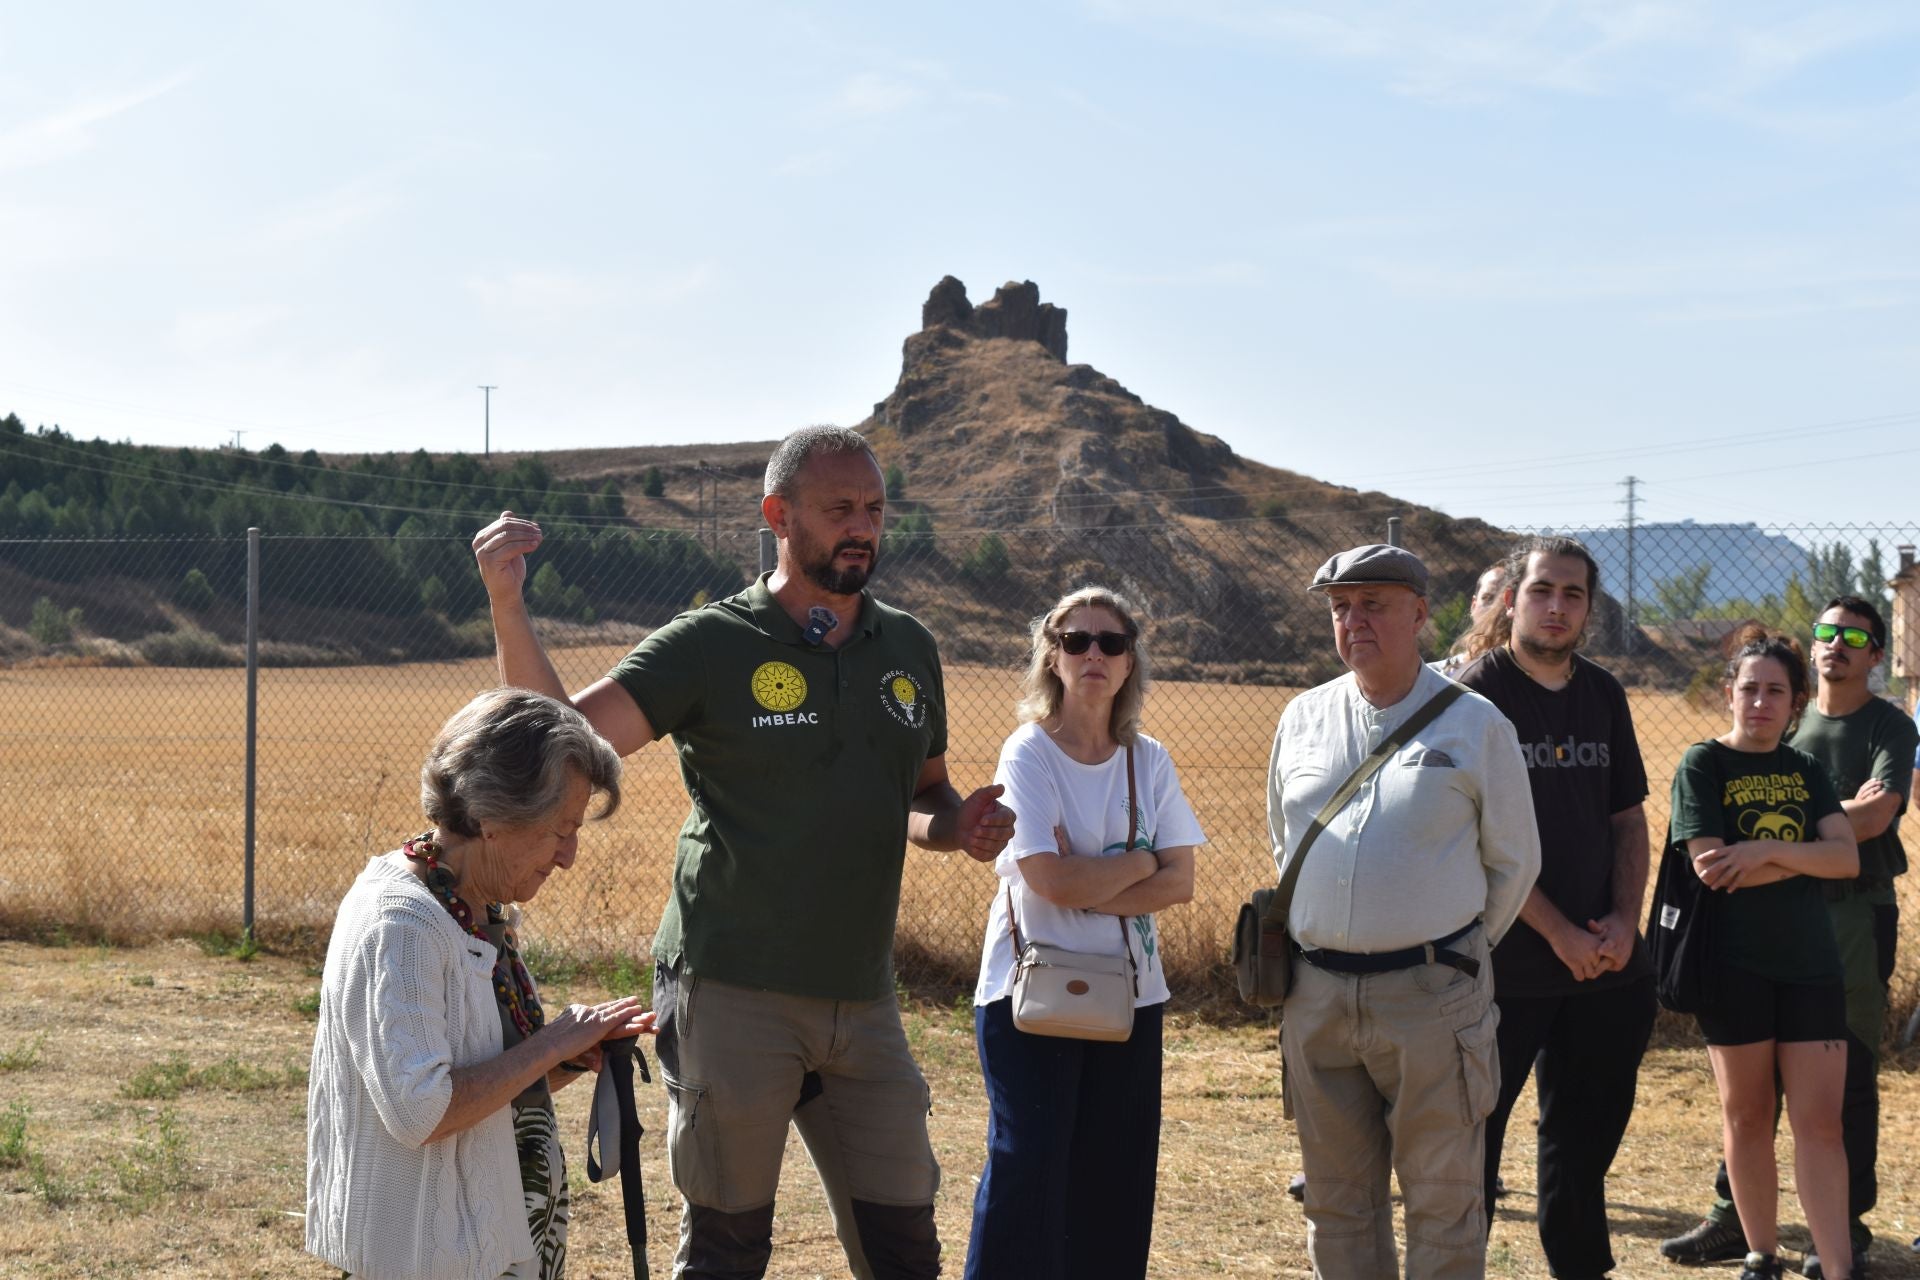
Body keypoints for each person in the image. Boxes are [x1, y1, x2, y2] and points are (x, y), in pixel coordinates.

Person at [471, 424, 1015, 1280]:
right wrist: (508, 605)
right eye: (839, 508)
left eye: (874, 508)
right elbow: (560, 735)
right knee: (728, 1249)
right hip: (730, 989)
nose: (862, 526)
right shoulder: (712, 642)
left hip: (862, 999)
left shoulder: (907, 647)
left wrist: (960, 826)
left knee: (905, 1243)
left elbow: (923, 794)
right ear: (777, 515)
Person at [306, 687, 654, 1280]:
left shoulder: (476, 907)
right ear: (495, 819)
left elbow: (488, 1077)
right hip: (428, 1256)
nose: (568, 856)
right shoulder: (403, 924)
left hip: (488, 1243)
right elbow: (423, 1111)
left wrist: (569, 1057)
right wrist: (552, 1041)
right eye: (559, 830)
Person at [1267, 543, 1540, 1280]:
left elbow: (1514, 864)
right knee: (1337, 1202)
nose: (1354, 621)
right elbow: (1283, 843)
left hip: (1433, 998)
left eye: (1374, 605)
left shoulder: (1475, 726)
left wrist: (1447, 954)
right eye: (1340, 608)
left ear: (1420, 613)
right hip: (1316, 996)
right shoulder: (1303, 718)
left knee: (1444, 1201)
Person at [1662, 600, 1915, 1277]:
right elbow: (1715, 868)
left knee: (1824, 1117)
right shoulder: (1705, 763)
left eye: (1776, 690)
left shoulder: (1819, 762)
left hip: (1818, 958)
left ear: (1794, 700)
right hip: (1734, 964)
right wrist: (1797, 851)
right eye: (1750, 688)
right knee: (1747, 1116)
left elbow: (1850, 856)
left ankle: (1838, 1261)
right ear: (1730, 693)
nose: (1761, 701)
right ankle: (1758, 1249)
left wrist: (1762, 852)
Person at [964, 586, 1206, 1279]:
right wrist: (1137, 861)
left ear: (1131, 663)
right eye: (1076, 640)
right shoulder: (1028, 752)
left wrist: (1086, 875)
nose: (1094, 653)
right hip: (1026, 993)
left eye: (1112, 641)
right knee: (1027, 1171)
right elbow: (1050, 881)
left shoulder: (1148, 760)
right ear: (1052, 657)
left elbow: (1182, 881)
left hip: (1132, 997)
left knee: (1116, 1181)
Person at [1455, 536, 1655, 1280]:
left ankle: (1580, 1268)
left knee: (1584, 1140)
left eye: (1573, 594)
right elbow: (1476, 841)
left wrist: (1623, 923)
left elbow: (1626, 819)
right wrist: (1561, 932)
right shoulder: (1476, 697)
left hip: (1605, 962)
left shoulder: (1603, 693)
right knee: (1472, 1140)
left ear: (1588, 610)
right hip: (1507, 966)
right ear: (1511, 599)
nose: (1556, 606)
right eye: (1542, 590)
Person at [1434, 562, 1510, 678]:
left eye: (1504, 602)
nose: (1495, 610)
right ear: (1473, 606)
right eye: (1488, 598)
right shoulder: (1440, 676)